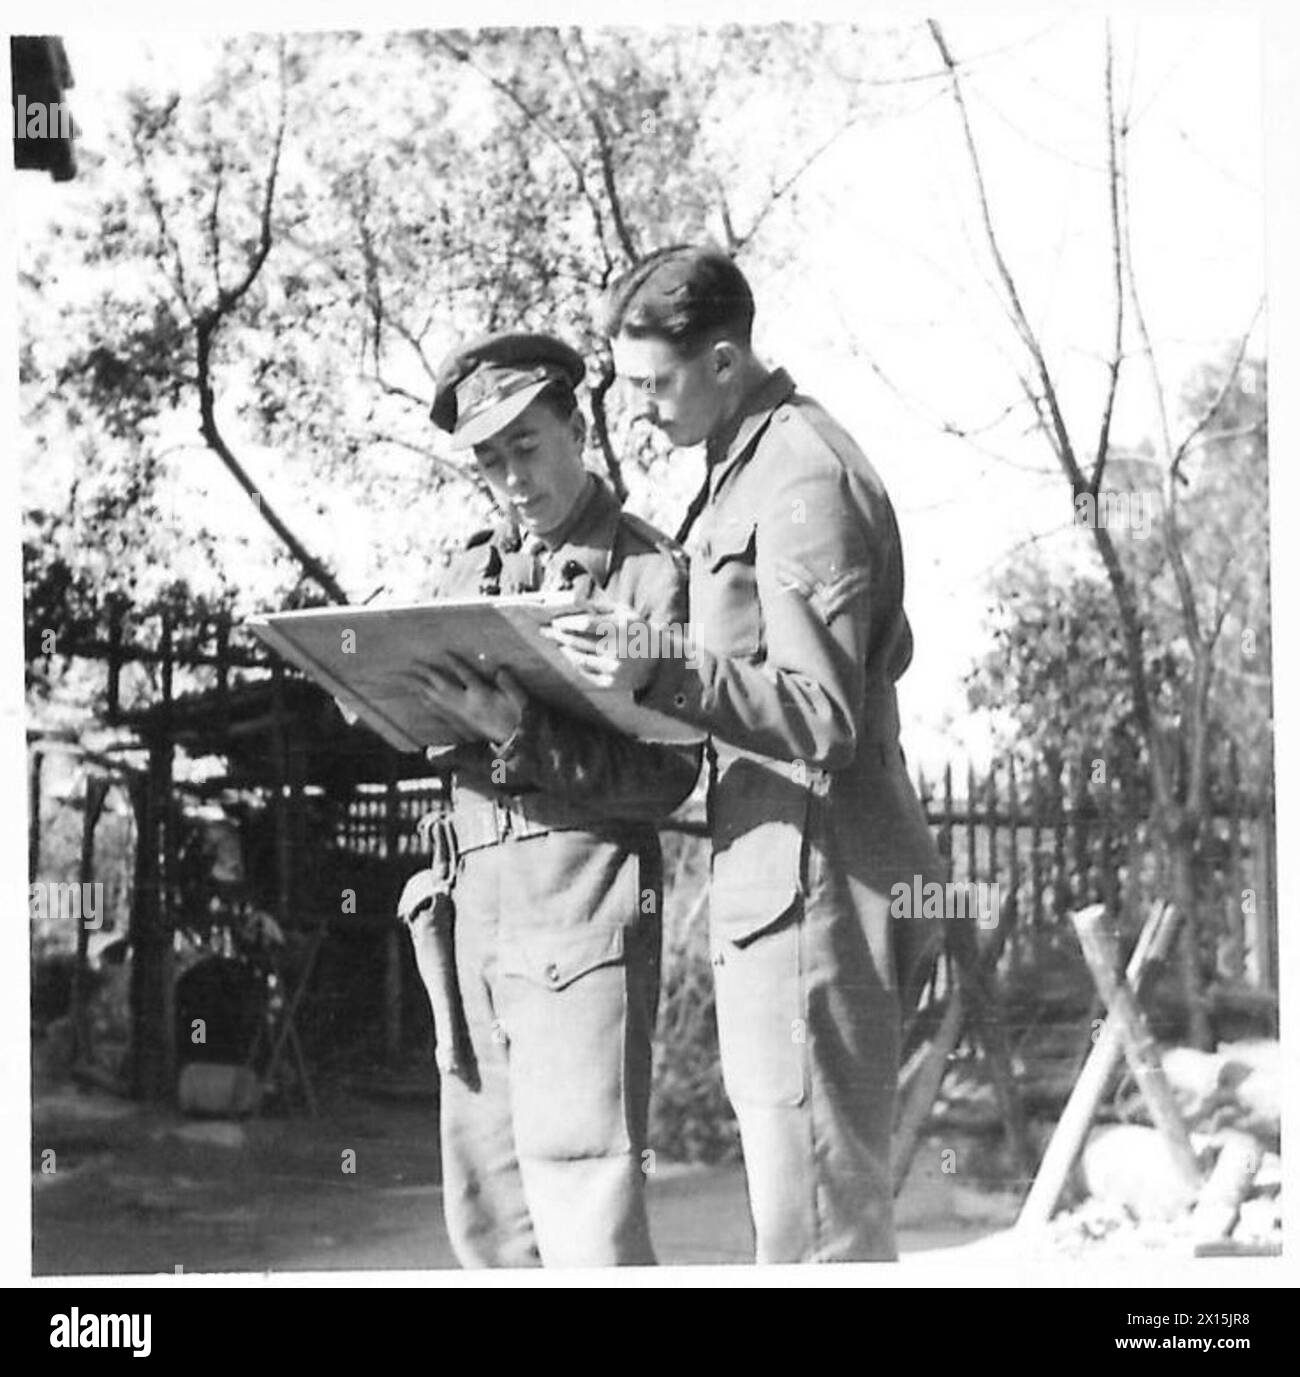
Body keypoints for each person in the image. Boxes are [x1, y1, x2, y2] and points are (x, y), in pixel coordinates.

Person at [548, 246, 946, 1263]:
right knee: (807, 1222)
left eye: (653, 383)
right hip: (786, 881)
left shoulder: (801, 475)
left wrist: (658, 664)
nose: (637, 409)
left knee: (816, 1241)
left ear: (724, 362)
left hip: (817, 889)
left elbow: (824, 713)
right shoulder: (749, 465)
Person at [399, 331, 699, 1268]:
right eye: (490, 461)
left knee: (585, 1203)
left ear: (578, 429)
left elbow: (668, 773)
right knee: (487, 1213)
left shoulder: (648, 574)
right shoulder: (468, 570)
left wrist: (518, 731)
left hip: (580, 908)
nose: (512, 479)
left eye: (527, 447)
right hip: (472, 917)